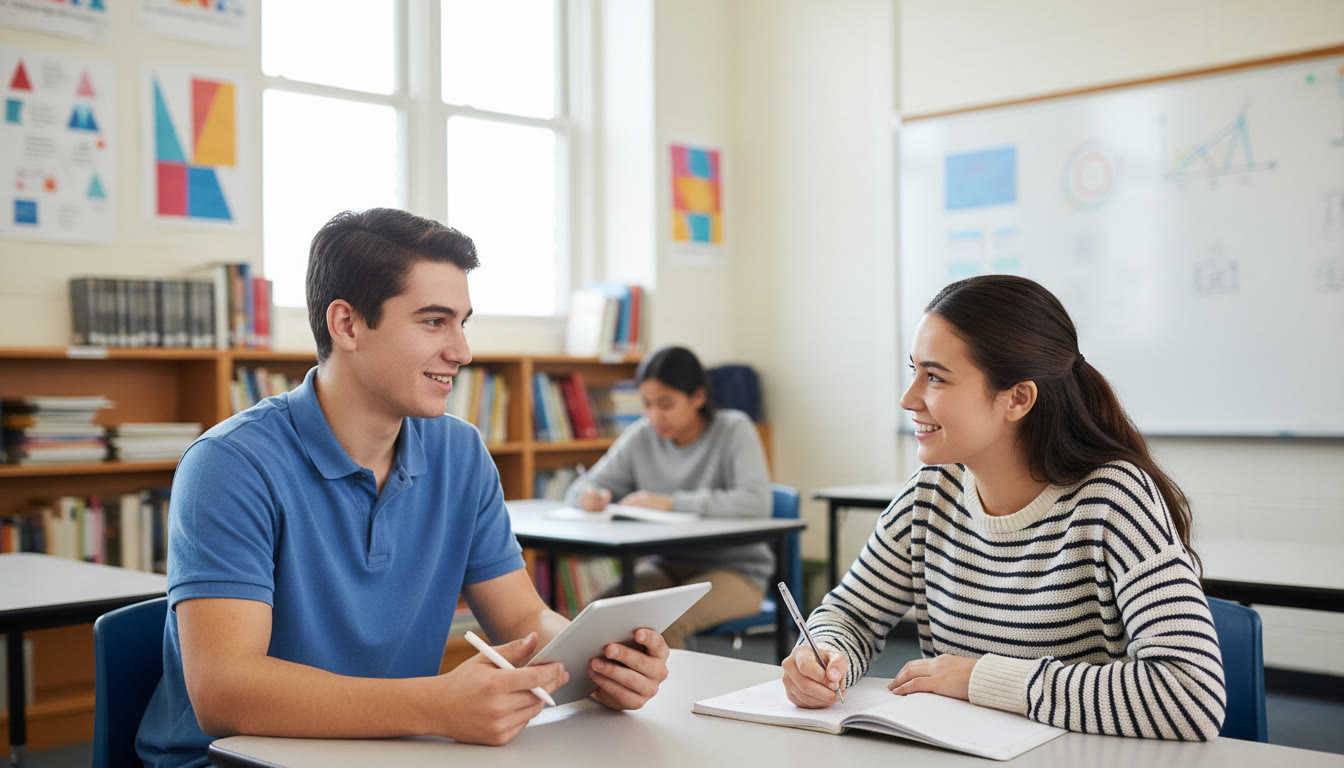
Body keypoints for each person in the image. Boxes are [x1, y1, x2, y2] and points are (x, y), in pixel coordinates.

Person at [137, 208, 671, 768]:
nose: (462, 351)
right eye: (434, 322)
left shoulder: (460, 453)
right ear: (346, 325)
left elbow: (521, 618)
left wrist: (599, 663)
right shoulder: (230, 465)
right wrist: (435, 707)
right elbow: (225, 693)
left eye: (463, 323)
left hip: (392, 750)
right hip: (232, 760)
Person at [783, 275, 1226, 741]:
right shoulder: (932, 491)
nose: (908, 399)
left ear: (1017, 398)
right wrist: (823, 656)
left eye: (934, 377)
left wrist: (981, 679)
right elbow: (851, 613)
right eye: (912, 371)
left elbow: (1189, 694)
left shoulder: (1112, 498)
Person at [564, 345, 772, 649]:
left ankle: (673, 699)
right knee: (598, 617)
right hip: (667, 566)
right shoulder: (642, 435)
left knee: (659, 631)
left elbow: (756, 502)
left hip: (737, 571)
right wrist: (589, 496)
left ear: (698, 398)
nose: (654, 415)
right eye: (646, 404)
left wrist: (672, 502)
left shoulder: (734, 429)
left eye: (666, 404)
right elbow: (579, 488)